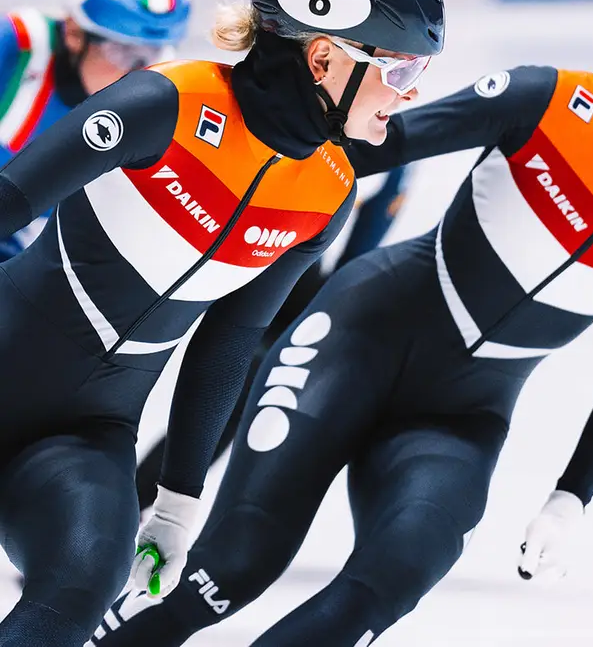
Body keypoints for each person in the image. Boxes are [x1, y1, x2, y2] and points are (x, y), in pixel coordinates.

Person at [88, 0, 593, 647]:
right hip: (357, 339)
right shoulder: (545, 100)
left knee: (392, 579)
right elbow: (366, 143)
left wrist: (571, 496)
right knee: (229, 569)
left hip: (460, 418)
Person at [0, 0, 444, 647]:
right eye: (400, 70)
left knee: (83, 581)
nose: (413, 91)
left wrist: (177, 504)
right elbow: (7, 202)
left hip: (85, 438)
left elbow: (232, 340)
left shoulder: (328, 191)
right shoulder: (165, 103)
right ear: (324, 58)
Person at [133, 164, 411, 513]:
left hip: (304, 260)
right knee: (227, 396)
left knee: (233, 403)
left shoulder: (390, 161)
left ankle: (142, 497)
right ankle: (140, 496)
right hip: (285, 248)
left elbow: (373, 225)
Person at [0, 0, 190, 260]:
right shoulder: (17, 45)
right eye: (123, 51)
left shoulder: (162, 97)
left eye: (154, 52)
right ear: (74, 33)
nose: (140, 69)